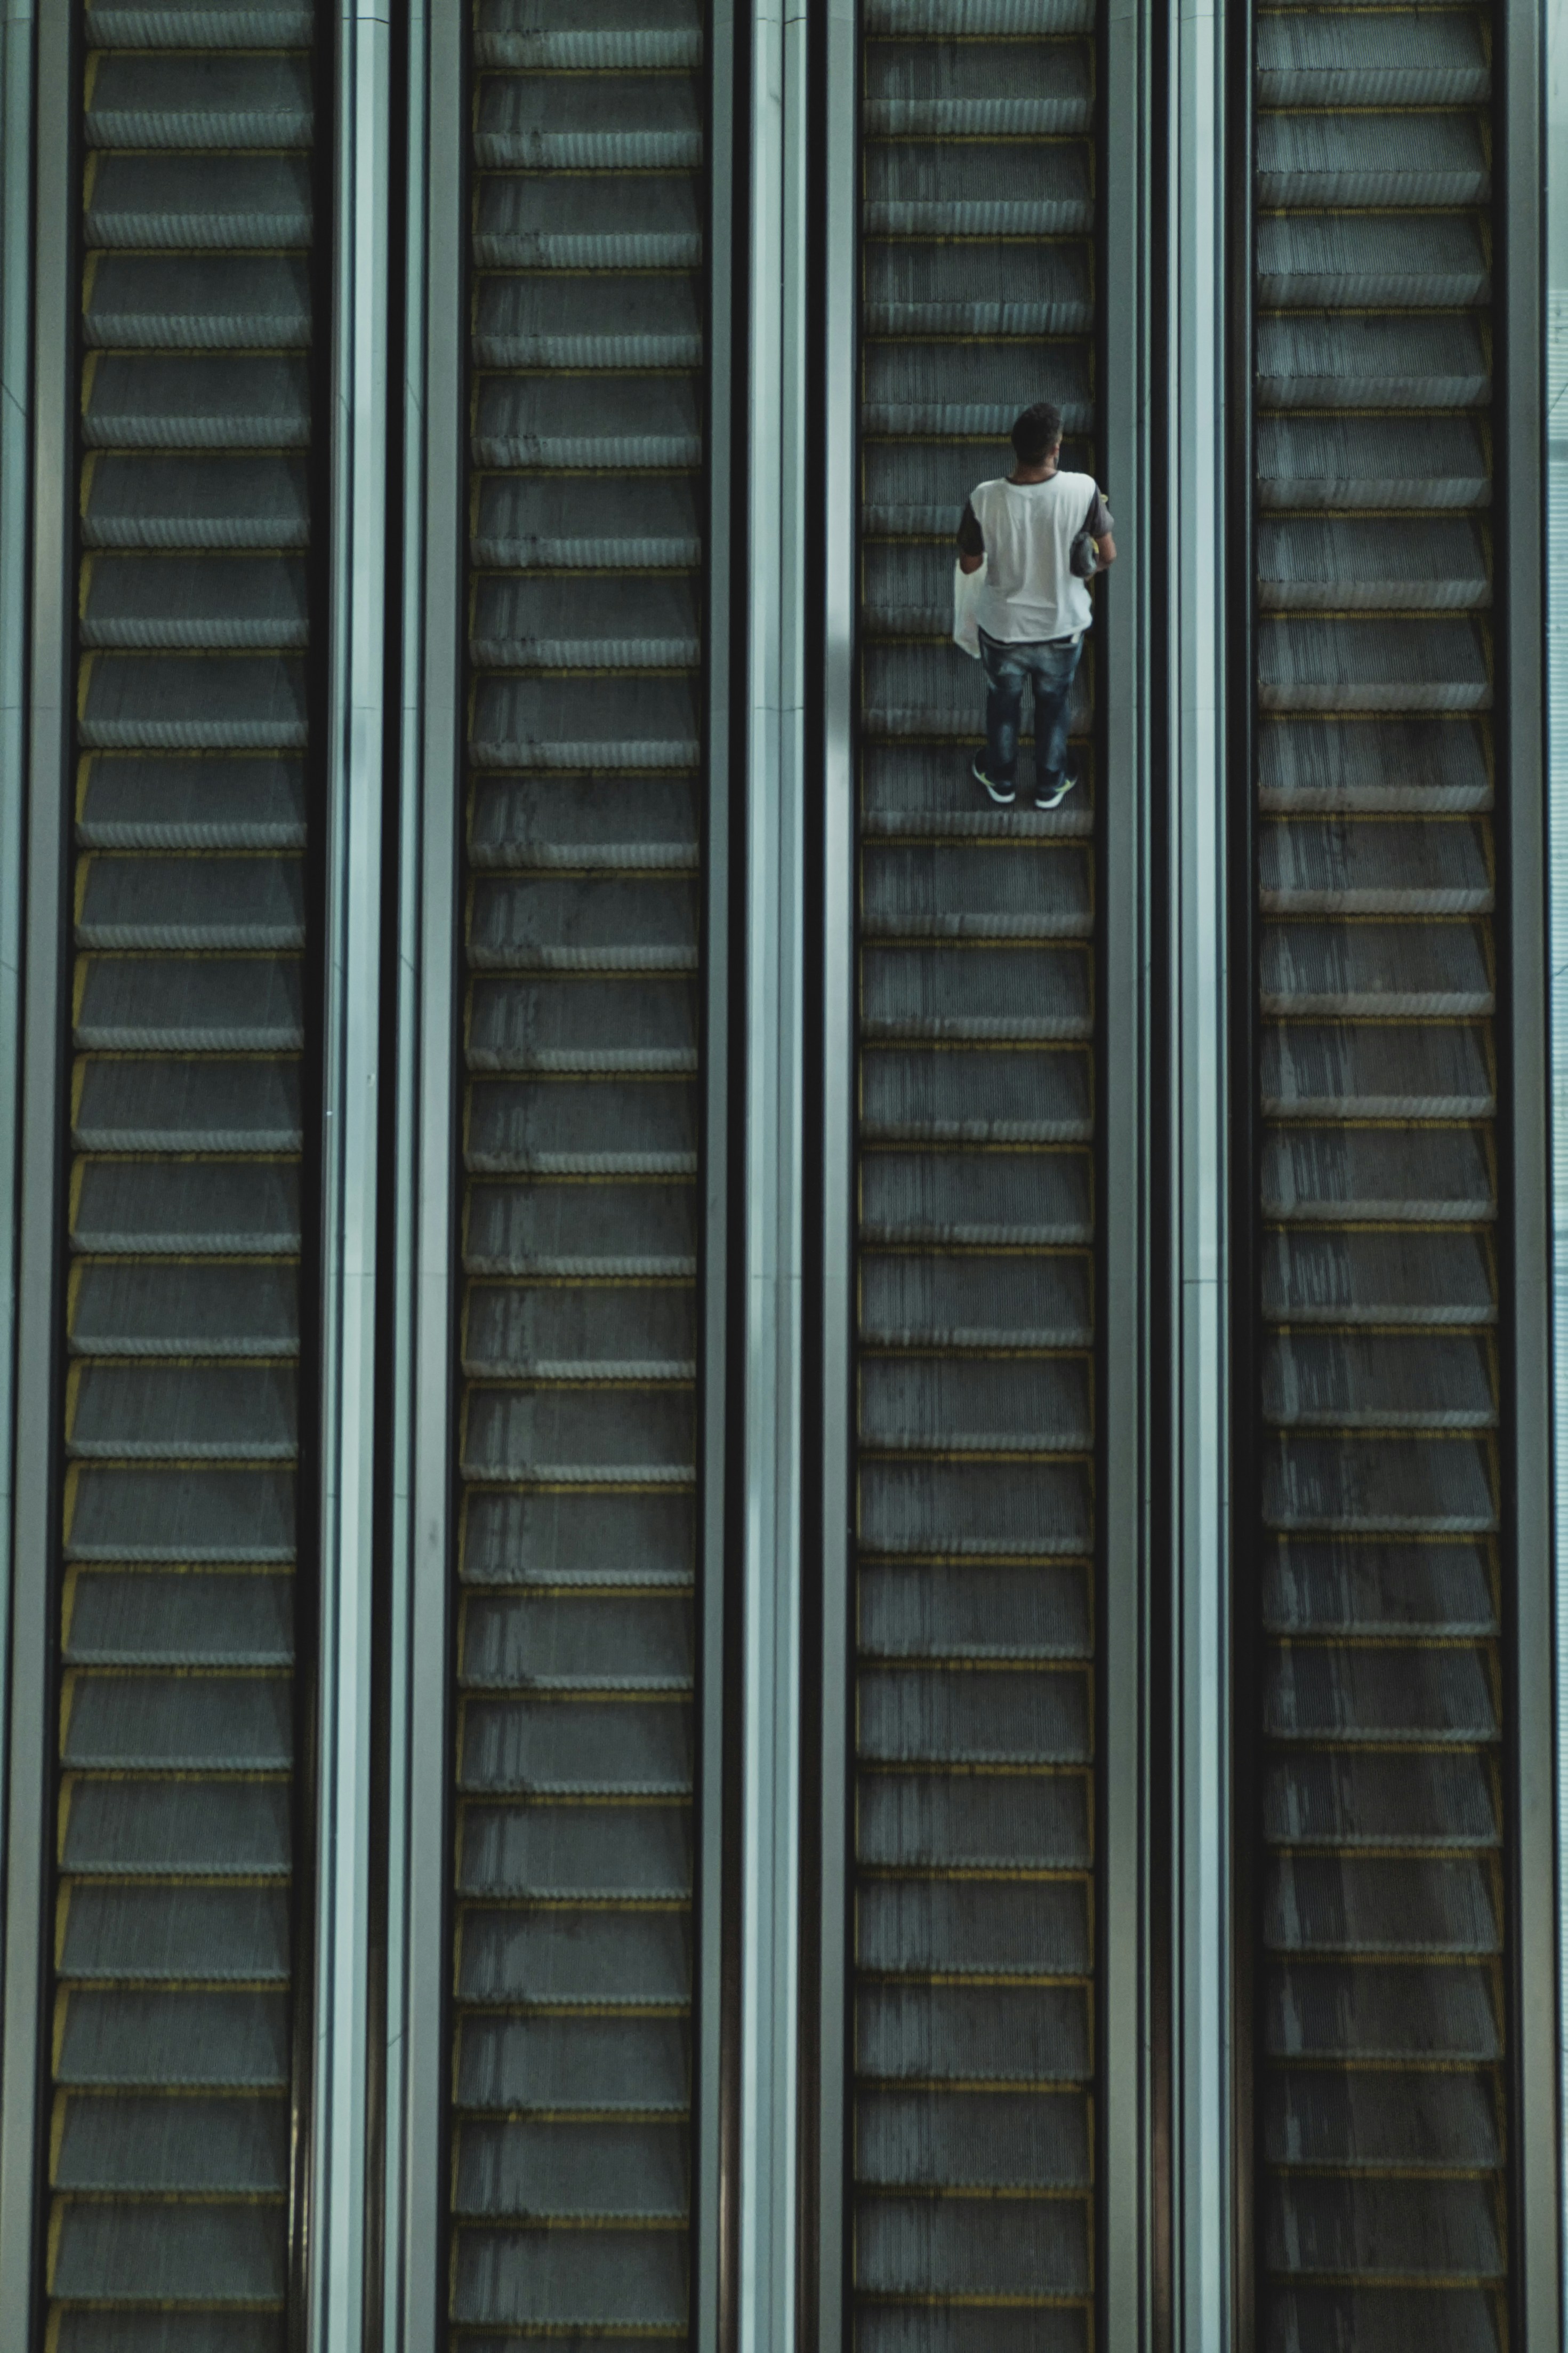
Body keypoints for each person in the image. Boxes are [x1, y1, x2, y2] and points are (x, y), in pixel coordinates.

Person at [957, 400, 1116, 810]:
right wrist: (1085, 568)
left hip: (1002, 630)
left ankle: (1001, 780)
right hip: (1061, 628)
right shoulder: (1084, 490)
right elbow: (1108, 555)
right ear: (1055, 449)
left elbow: (969, 564)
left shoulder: (983, 498)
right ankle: (1049, 783)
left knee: (1002, 703)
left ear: (1015, 448)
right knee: (1053, 704)